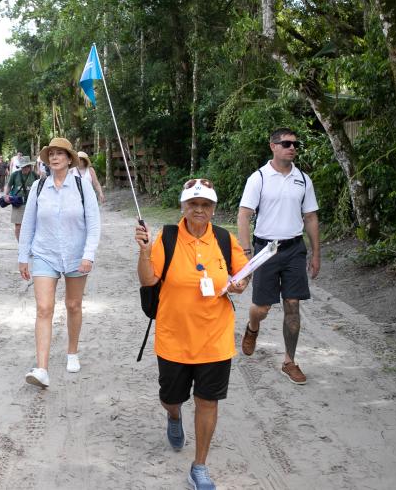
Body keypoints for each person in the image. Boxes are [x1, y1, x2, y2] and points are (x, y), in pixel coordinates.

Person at [134, 178, 249, 490]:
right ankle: (173, 416)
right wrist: (144, 251)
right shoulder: (168, 237)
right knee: (171, 399)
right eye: (193, 204)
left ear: (213, 208)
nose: (199, 209)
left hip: (215, 338)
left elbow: (242, 275)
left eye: (205, 204)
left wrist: (240, 283)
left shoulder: (224, 239)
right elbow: (148, 280)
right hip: (174, 337)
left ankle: (199, 466)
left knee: (207, 401)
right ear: (183, 207)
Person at [237, 127, 320, 385]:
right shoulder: (259, 178)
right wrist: (247, 253)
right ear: (273, 146)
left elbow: (310, 217)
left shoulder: (303, 179)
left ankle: (289, 361)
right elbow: (244, 215)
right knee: (261, 308)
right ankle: (253, 327)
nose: (292, 147)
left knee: (293, 306)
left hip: (294, 249)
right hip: (266, 249)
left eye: (295, 144)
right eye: (286, 143)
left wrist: (316, 253)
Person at [18, 137, 100, 388]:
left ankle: (72, 351)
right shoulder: (39, 187)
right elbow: (28, 223)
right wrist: (23, 257)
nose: (54, 157)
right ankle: (41, 369)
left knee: (73, 305)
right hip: (45, 253)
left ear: (69, 159)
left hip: (76, 255)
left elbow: (94, 224)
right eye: (51, 153)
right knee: (44, 308)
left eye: (59, 153)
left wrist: (88, 255)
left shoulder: (82, 186)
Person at [4, 156, 37, 241]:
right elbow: (9, 185)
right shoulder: (15, 175)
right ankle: (20, 245)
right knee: (18, 226)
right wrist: (6, 195)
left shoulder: (34, 175)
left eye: (27, 166)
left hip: (31, 204)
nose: (25, 168)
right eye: (23, 167)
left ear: (30, 166)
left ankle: (29, 243)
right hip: (18, 203)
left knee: (31, 226)